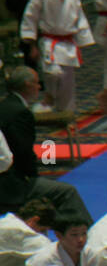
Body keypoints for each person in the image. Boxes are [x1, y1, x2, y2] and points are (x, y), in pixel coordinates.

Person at [0, 68, 92, 221]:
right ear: (27, 84)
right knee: (66, 192)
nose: (39, 87)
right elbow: (23, 152)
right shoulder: (20, 112)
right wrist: (33, 179)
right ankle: (82, 235)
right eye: (36, 83)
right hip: (12, 183)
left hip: (9, 176)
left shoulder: (5, 106)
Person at [20, 0, 94, 113]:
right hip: (49, 42)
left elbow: (80, 20)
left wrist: (83, 41)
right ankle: (49, 97)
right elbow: (30, 18)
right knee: (53, 72)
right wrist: (32, 45)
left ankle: (65, 114)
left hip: (67, 44)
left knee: (67, 83)